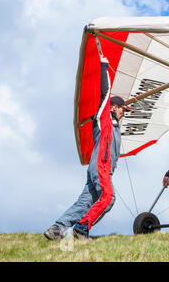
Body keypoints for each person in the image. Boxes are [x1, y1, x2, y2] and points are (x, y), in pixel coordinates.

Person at [44, 55, 133, 241]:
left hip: (101, 169)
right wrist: (104, 66)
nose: (124, 112)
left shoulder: (115, 127)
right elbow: (105, 93)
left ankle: (56, 229)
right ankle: (81, 229)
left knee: (85, 202)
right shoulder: (104, 119)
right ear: (114, 107)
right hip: (100, 167)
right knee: (108, 198)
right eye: (123, 109)